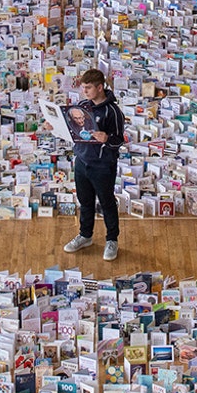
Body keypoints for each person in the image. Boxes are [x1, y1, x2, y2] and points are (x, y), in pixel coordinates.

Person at [62, 68, 126, 261]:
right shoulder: (82, 106)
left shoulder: (113, 112)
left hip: (102, 165)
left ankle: (112, 240)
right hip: (82, 161)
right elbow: (72, 128)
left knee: (107, 203)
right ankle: (85, 235)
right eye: (83, 88)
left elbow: (119, 141)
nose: (85, 92)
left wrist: (107, 138)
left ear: (100, 87)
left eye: (88, 88)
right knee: (85, 202)